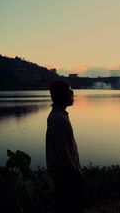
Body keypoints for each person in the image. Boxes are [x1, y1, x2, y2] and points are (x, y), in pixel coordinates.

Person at [46, 80, 84, 213]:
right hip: (65, 176)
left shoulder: (59, 116)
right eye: (70, 91)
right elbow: (62, 153)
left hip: (65, 174)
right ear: (62, 95)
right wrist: (75, 172)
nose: (73, 93)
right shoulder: (58, 119)